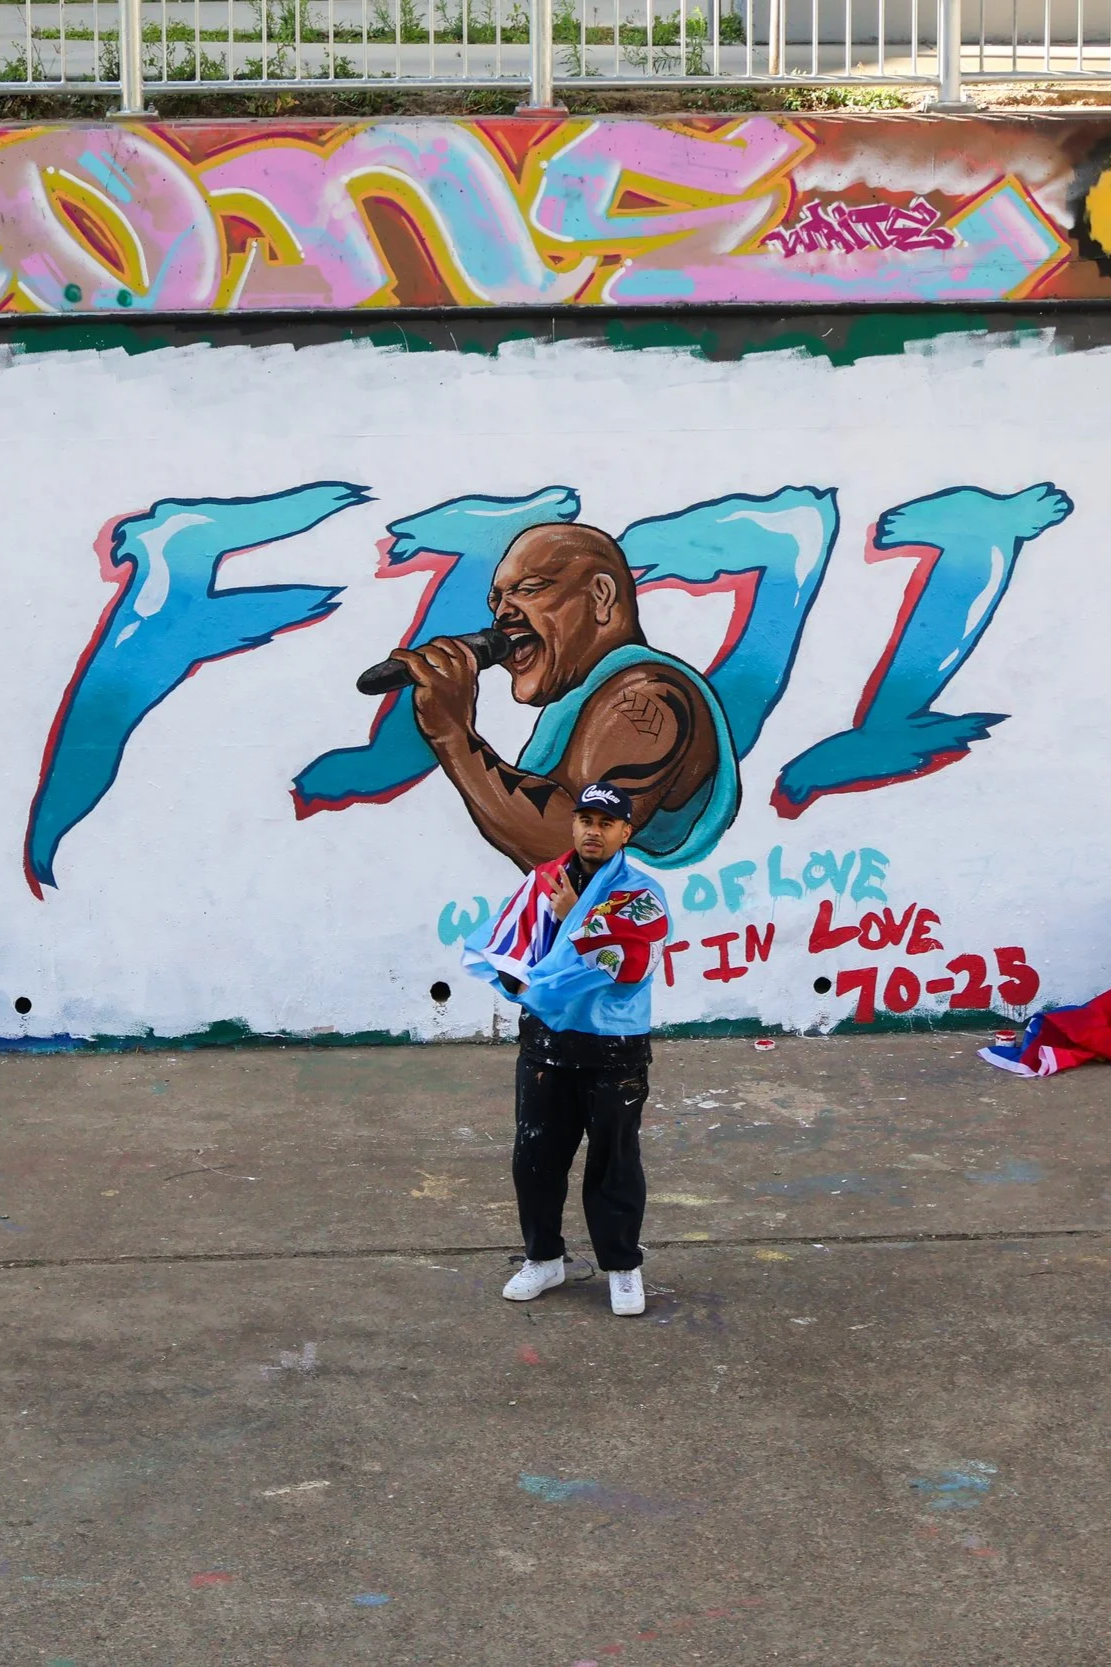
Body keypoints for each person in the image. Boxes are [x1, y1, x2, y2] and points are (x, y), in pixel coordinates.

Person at [389, 522, 739, 873]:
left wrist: (452, 733)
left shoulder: (648, 696)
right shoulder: (584, 699)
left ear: (601, 596)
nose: (502, 614)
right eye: (497, 601)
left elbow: (575, 849)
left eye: (528, 589)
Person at [462, 780, 670, 1317]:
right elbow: (510, 951)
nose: (592, 831)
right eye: (584, 820)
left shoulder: (643, 894)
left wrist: (576, 917)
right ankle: (543, 1258)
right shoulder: (541, 883)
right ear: (573, 825)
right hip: (545, 1048)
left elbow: (630, 965)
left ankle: (622, 1268)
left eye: (605, 823)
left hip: (614, 1048)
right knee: (535, 1158)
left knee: (615, 1164)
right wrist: (531, 970)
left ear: (626, 832)